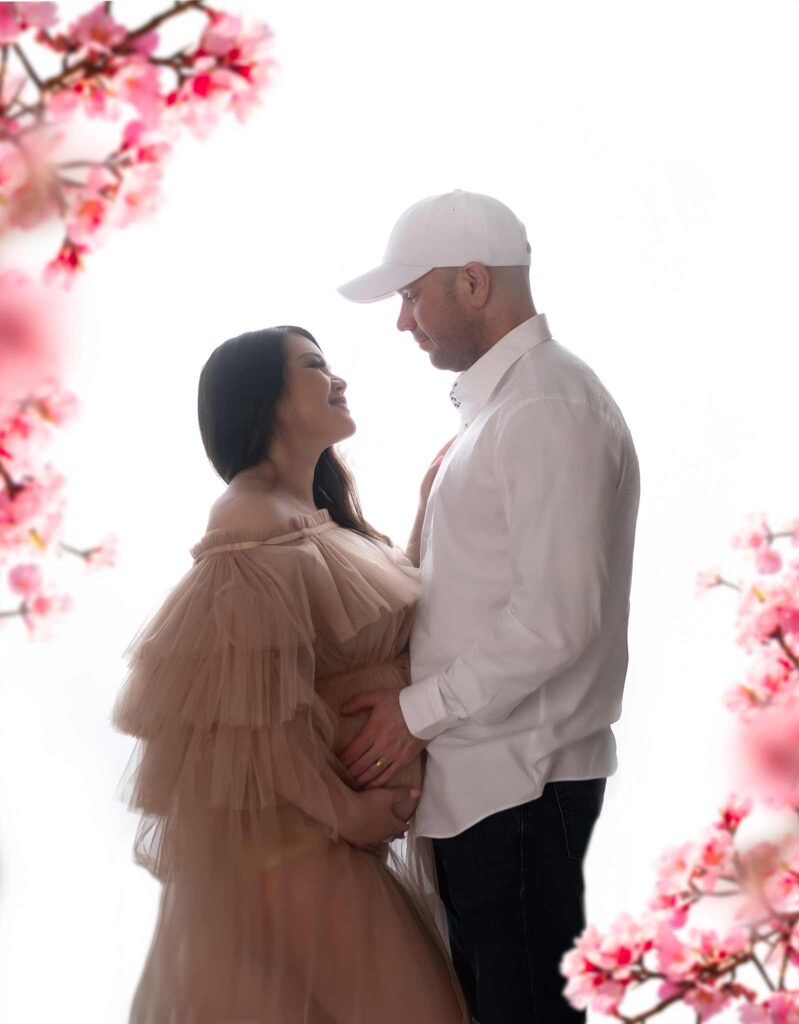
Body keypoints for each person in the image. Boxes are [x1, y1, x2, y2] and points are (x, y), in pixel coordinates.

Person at [336, 189, 641, 1024]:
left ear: (473, 282)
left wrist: (413, 711)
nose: (402, 321)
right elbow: (482, 598)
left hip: (518, 787)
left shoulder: (545, 407)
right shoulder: (511, 408)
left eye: (411, 293)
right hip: (488, 787)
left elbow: (556, 621)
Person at [112, 325, 470, 1023]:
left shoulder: (315, 517)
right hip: (300, 844)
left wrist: (433, 507)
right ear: (266, 401)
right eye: (314, 366)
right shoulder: (247, 517)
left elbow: (386, 618)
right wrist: (352, 813)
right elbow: (246, 717)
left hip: (328, 845)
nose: (337, 379)